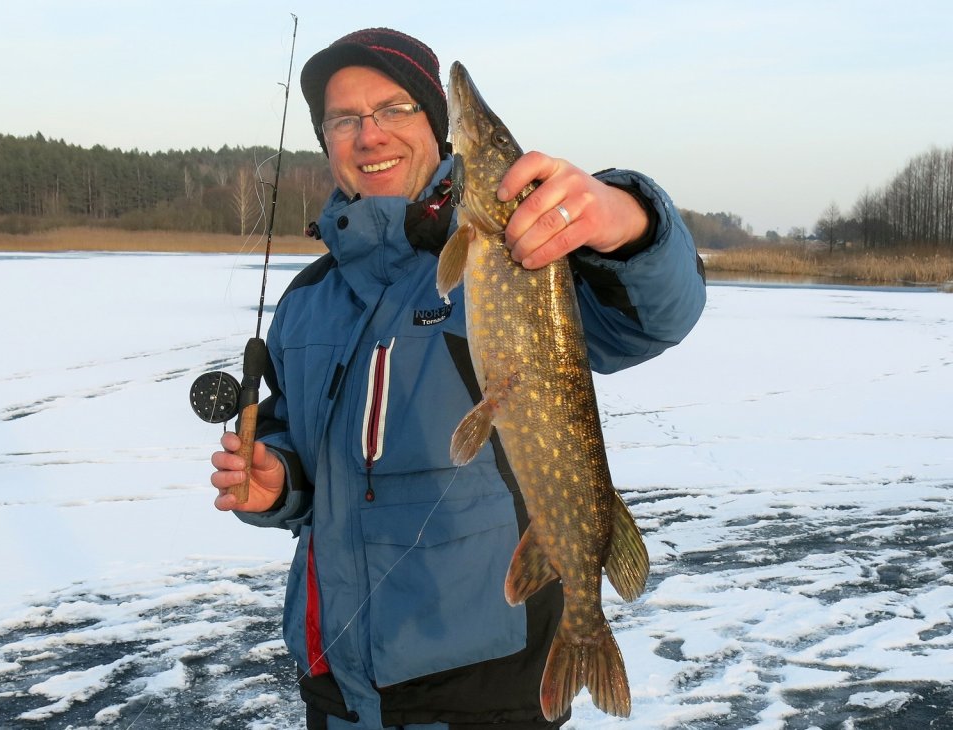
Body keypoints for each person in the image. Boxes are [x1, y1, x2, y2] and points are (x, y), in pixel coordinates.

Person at [210, 27, 706, 730]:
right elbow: (303, 450)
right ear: (326, 140)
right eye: (344, 119)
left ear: (440, 134)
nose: (368, 134)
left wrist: (624, 215)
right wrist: (278, 481)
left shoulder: (522, 256)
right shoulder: (308, 299)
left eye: (394, 109)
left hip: (486, 693)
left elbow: (658, 314)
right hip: (336, 686)